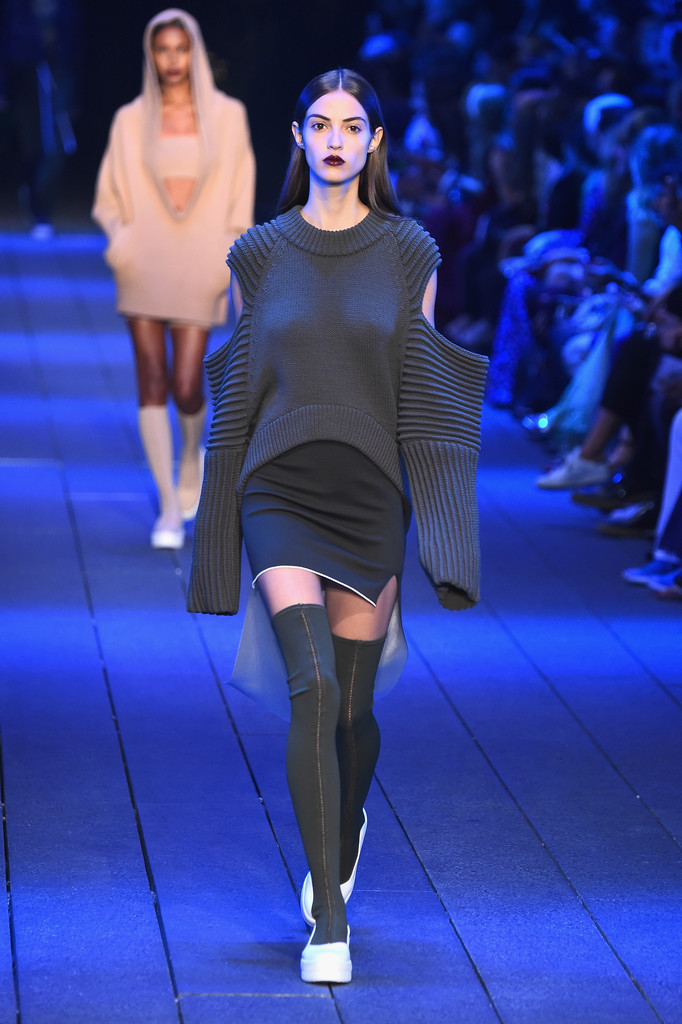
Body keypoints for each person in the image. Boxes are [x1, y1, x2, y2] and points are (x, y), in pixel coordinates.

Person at [187, 69, 488, 985]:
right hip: (277, 487)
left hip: (369, 494)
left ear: (375, 142)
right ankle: (329, 920)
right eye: (319, 124)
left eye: (352, 126)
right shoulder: (257, 254)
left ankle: (344, 821)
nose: (334, 140)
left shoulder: (410, 252)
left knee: (353, 711)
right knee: (313, 687)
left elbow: (426, 397)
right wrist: (216, 531)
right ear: (297, 136)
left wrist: (443, 527)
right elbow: (237, 391)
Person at [92, 9, 255, 549]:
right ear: (151, 55)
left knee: (187, 384)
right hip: (144, 261)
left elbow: (241, 193)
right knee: (151, 378)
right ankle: (166, 505)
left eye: (180, 49)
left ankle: (191, 455)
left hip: (200, 260)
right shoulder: (130, 119)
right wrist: (121, 243)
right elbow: (108, 195)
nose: (172, 60)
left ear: (195, 51)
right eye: (162, 50)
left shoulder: (228, 115)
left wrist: (227, 253)